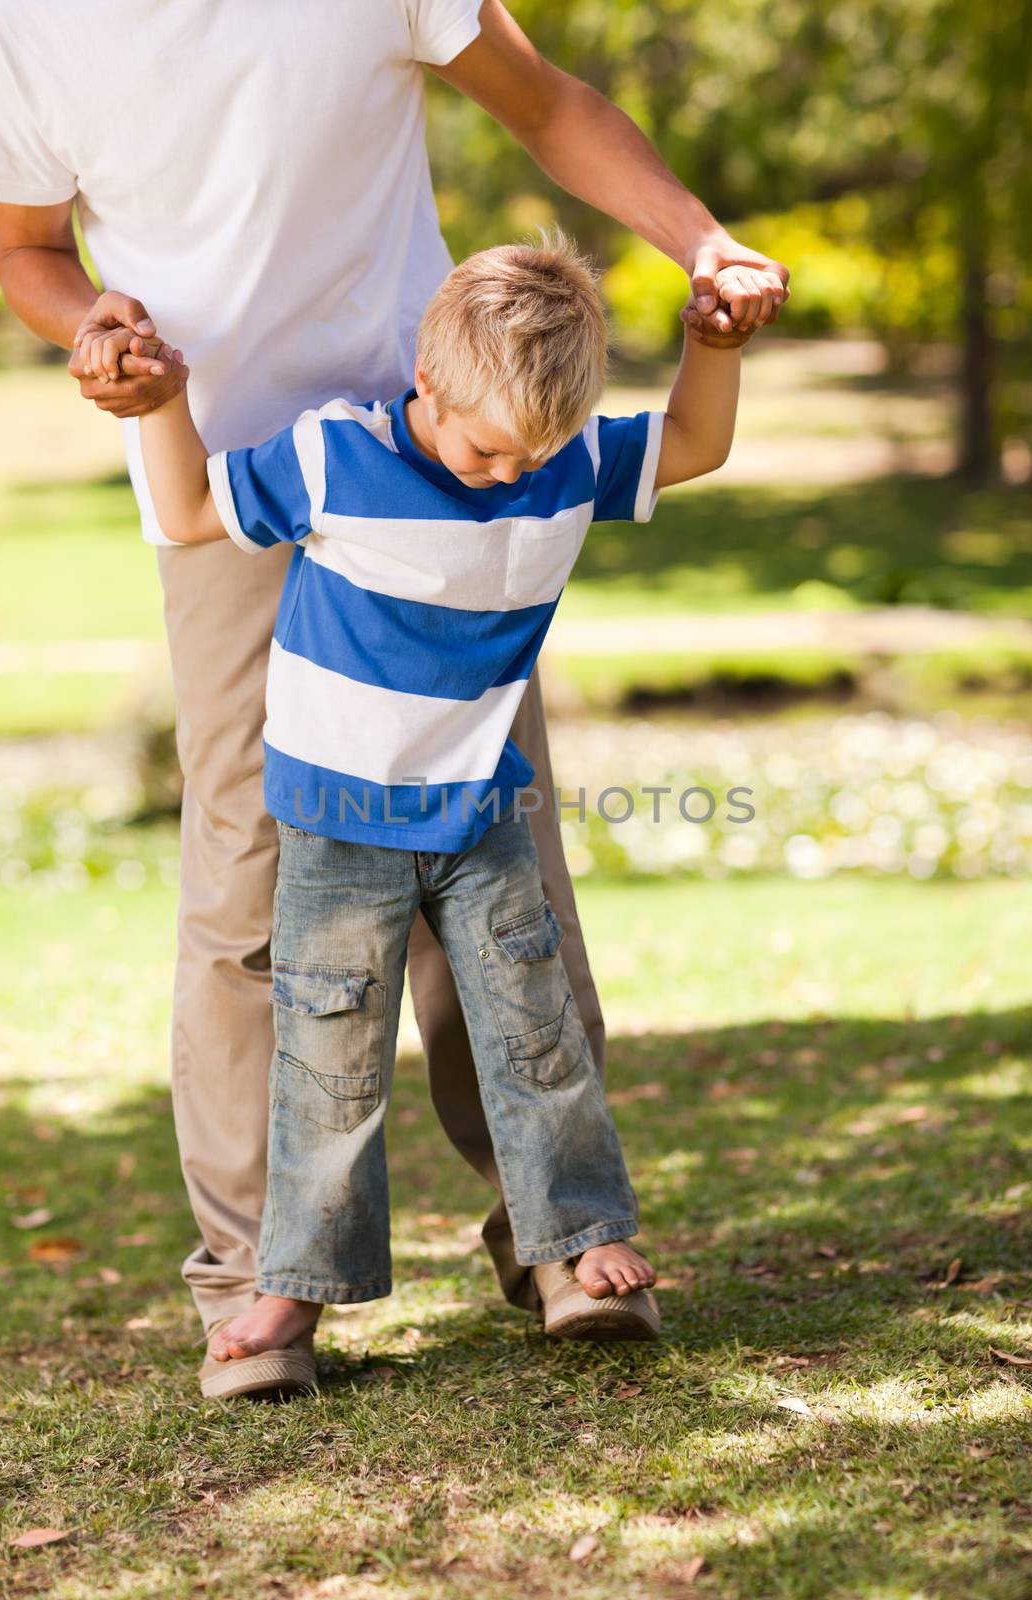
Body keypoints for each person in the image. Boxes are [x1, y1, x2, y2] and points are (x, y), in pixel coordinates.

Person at [0, 0, 787, 1395]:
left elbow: (543, 104)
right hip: (230, 468)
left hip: (456, 447)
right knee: (251, 886)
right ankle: (258, 1282)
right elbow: (25, 251)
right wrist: (96, 332)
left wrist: (698, 242)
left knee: (497, 869)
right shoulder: (23, 27)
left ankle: (552, 1239)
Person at [114, 232, 756, 1396]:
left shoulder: (556, 458)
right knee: (326, 1060)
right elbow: (188, 507)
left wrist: (711, 344)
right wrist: (160, 402)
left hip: (479, 821)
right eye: (483, 447)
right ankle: (291, 1288)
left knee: (533, 1030)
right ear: (427, 384)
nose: (507, 474)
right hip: (336, 826)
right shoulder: (334, 460)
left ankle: (575, 1240)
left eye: (532, 456)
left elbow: (698, 441)